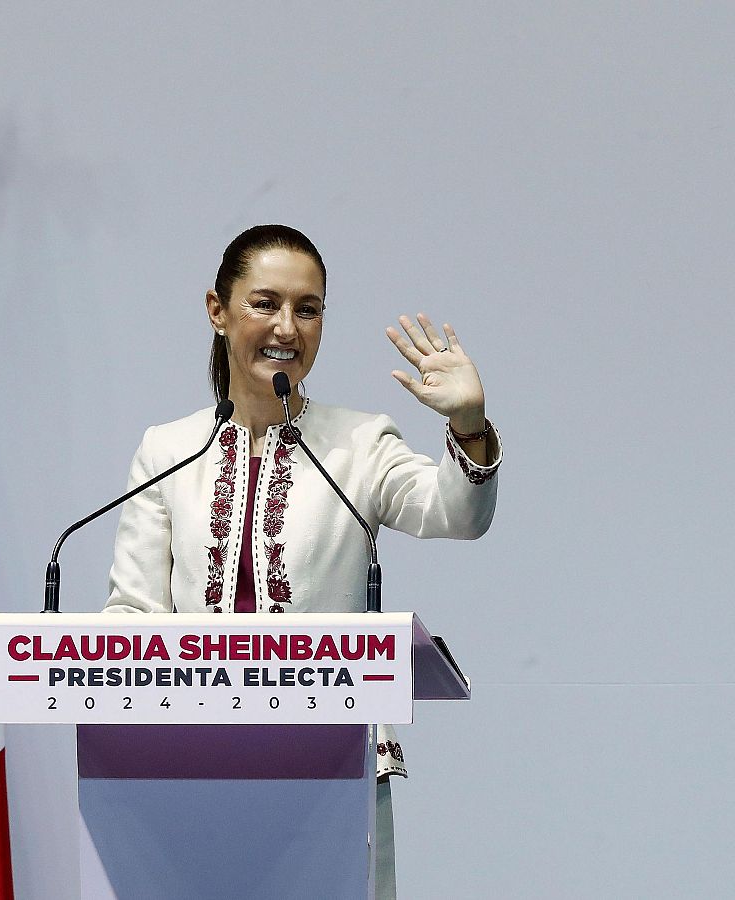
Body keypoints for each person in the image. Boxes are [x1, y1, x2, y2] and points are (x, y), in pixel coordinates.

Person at [104, 224, 501, 898]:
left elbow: (456, 514)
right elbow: (133, 617)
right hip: (189, 775)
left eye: (307, 308)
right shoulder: (166, 450)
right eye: (264, 303)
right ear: (217, 310)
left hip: (334, 772)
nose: (287, 326)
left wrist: (468, 426)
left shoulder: (358, 442)